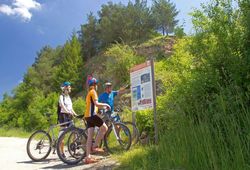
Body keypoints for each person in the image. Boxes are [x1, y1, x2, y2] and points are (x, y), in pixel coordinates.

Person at [84, 77, 111, 164]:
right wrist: (106, 105)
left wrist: (99, 110)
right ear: (95, 85)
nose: (97, 86)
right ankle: (95, 146)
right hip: (92, 115)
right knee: (104, 128)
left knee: (89, 137)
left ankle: (88, 157)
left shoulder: (89, 93)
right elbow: (96, 104)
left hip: (87, 116)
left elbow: (92, 105)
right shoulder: (93, 92)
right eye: (97, 85)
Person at [58, 81, 78, 156]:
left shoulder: (68, 97)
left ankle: (74, 150)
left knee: (75, 132)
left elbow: (71, 108)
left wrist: (76, 114)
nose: (70, 88)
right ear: (65, 88)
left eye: (70, 86)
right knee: (63, 134)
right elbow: (62, 106)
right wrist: (68, 112)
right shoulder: (61, 96)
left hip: (69, 116)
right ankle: (61, 152)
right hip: (63, 116)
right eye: (69, 86)